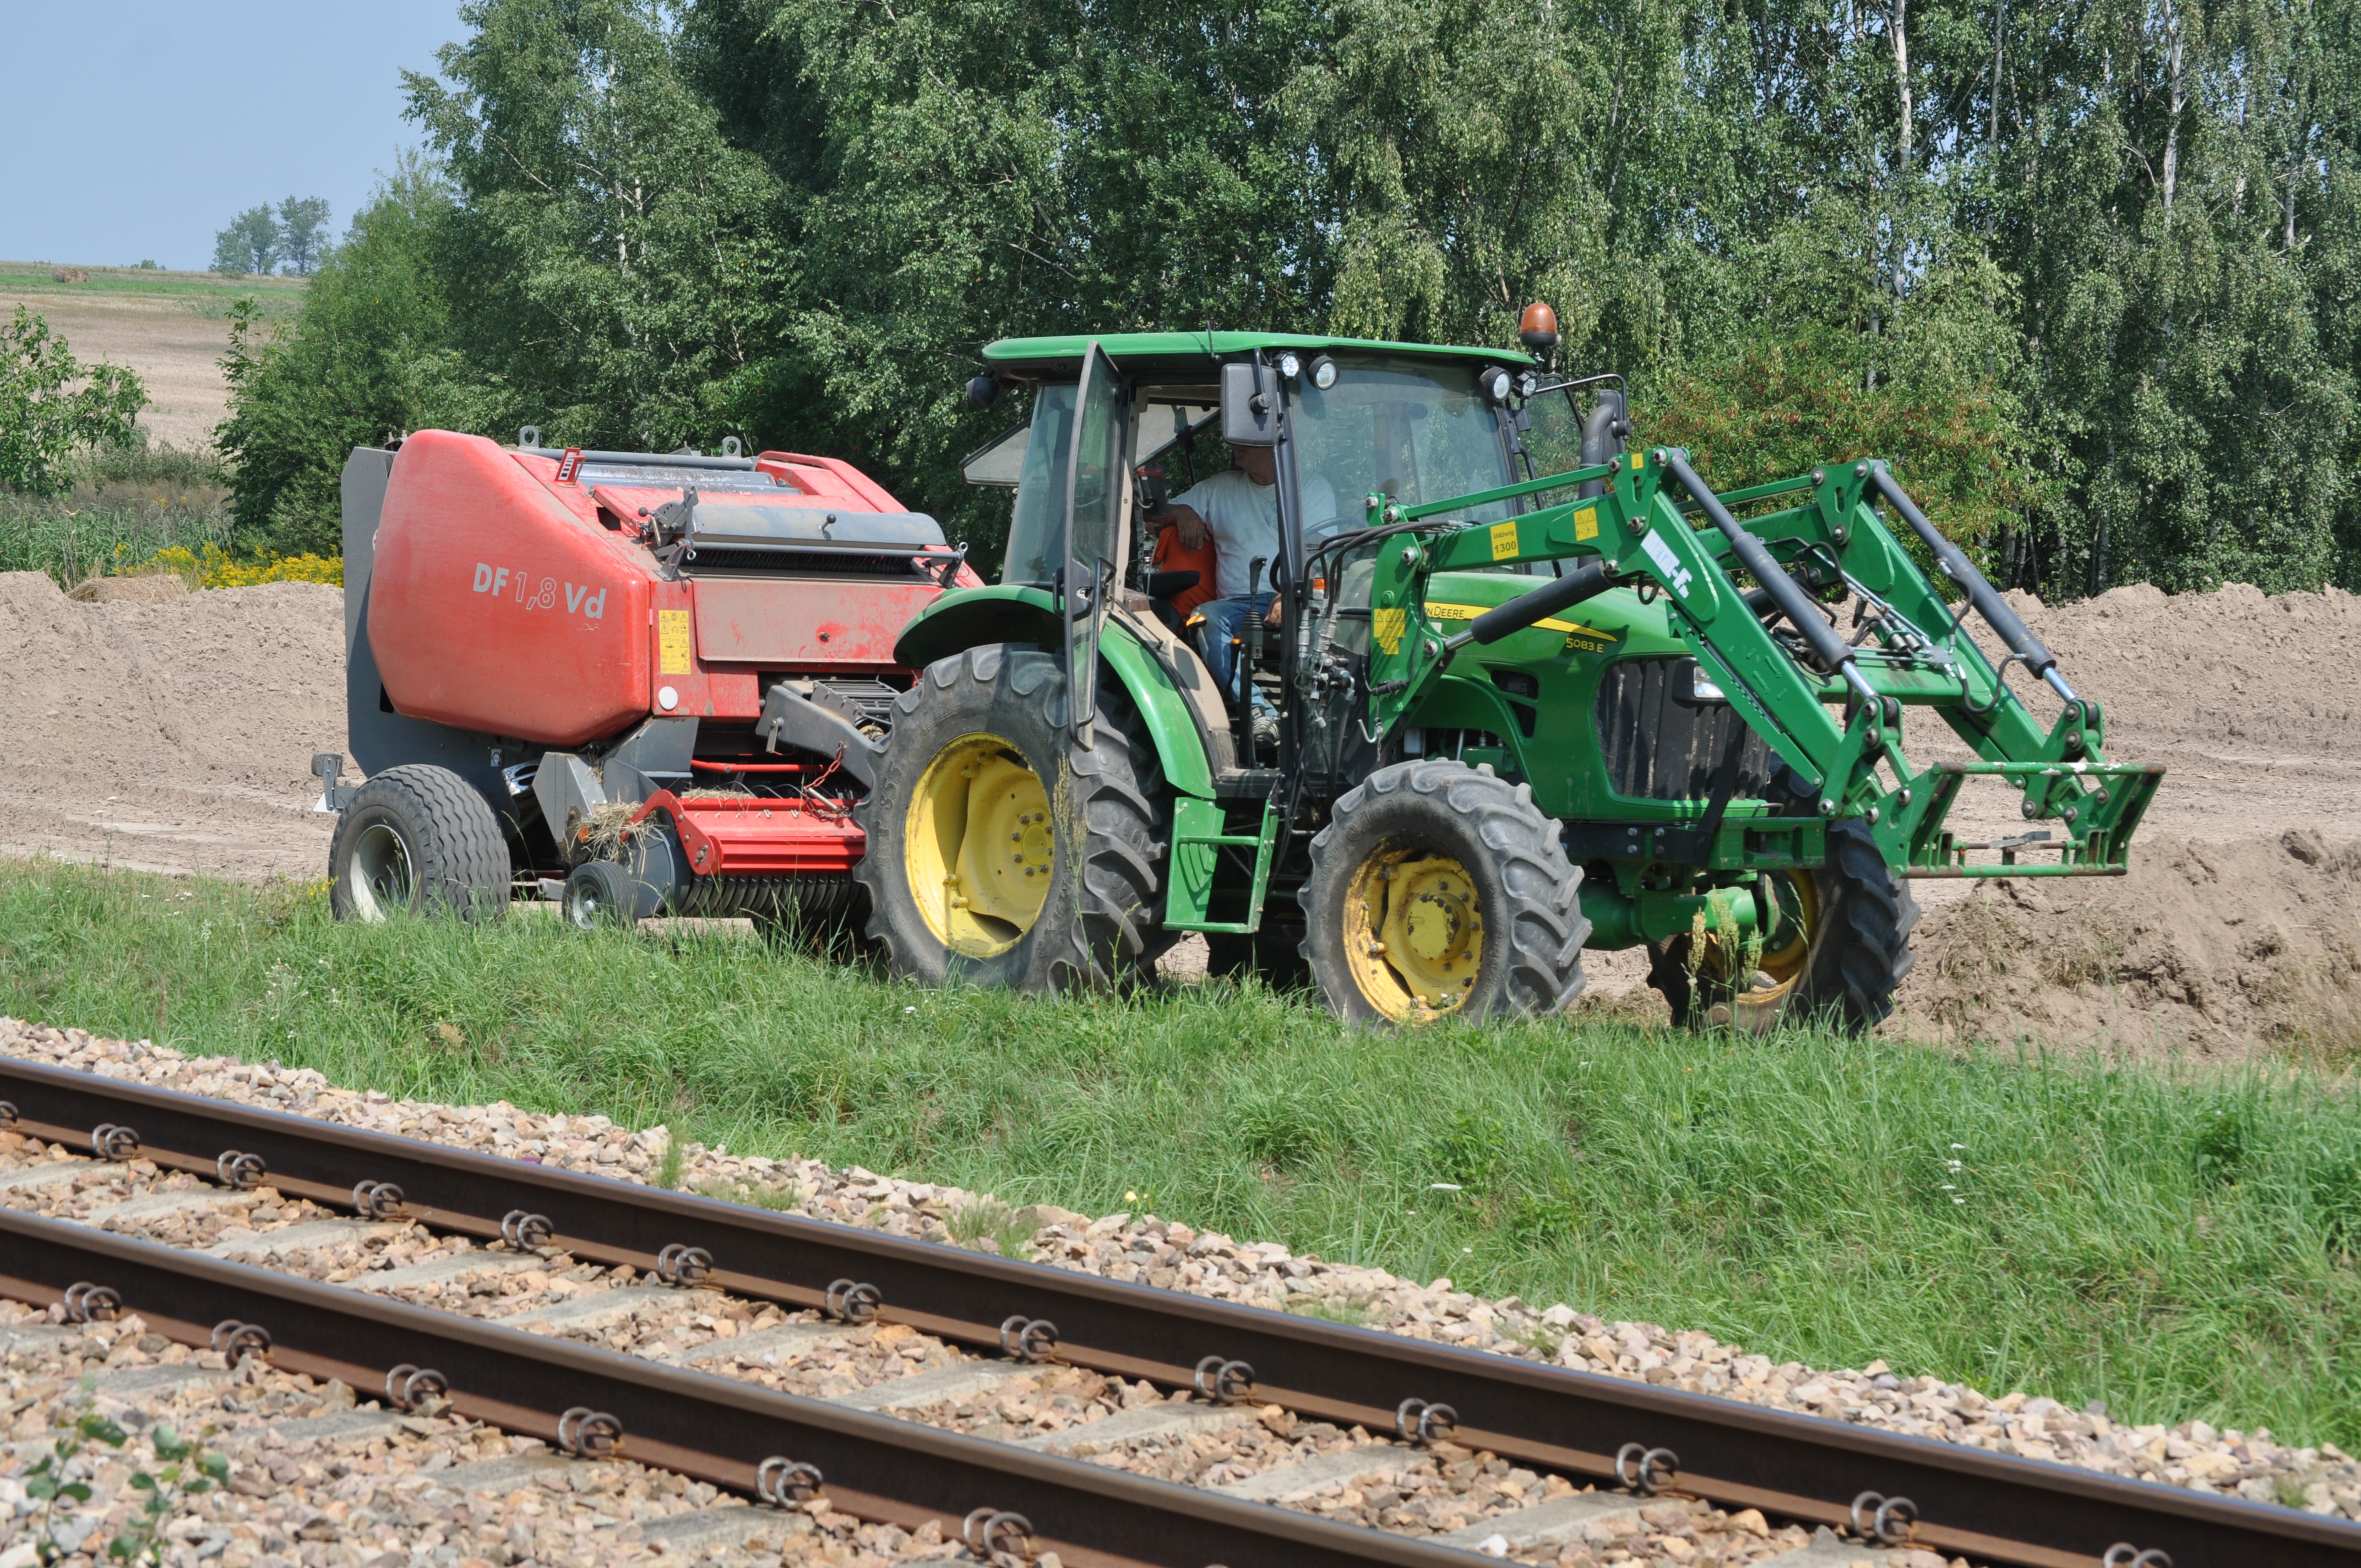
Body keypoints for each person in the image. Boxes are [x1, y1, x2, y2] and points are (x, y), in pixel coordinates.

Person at [1162, 447, 1336, 733]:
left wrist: (1289, 593)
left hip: (1297, 595)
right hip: (1238, 605)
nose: (1234, 445)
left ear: (1271, 445)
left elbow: (1316, 552)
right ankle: (1258, 711)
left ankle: (1315, 719)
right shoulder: (1219, 487)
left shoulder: (1310, 487)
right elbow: (1159, 513)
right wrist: (1184, 513)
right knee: (1205, 618)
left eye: (1246, 439)